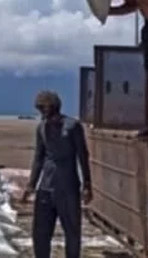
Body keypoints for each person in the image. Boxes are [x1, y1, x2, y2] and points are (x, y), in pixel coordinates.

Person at [22, 91, 91, 258]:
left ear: (54, 106)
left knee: (72, 232)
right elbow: (38, 158)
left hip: (68, 188)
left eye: (44, 107)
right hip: (45, 188)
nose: (42, 111)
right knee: (40, 234)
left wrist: (87, 185)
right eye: (40, 108)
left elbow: (83, 155)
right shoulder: (41, 128)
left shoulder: (73, 126)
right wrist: (31, 185)